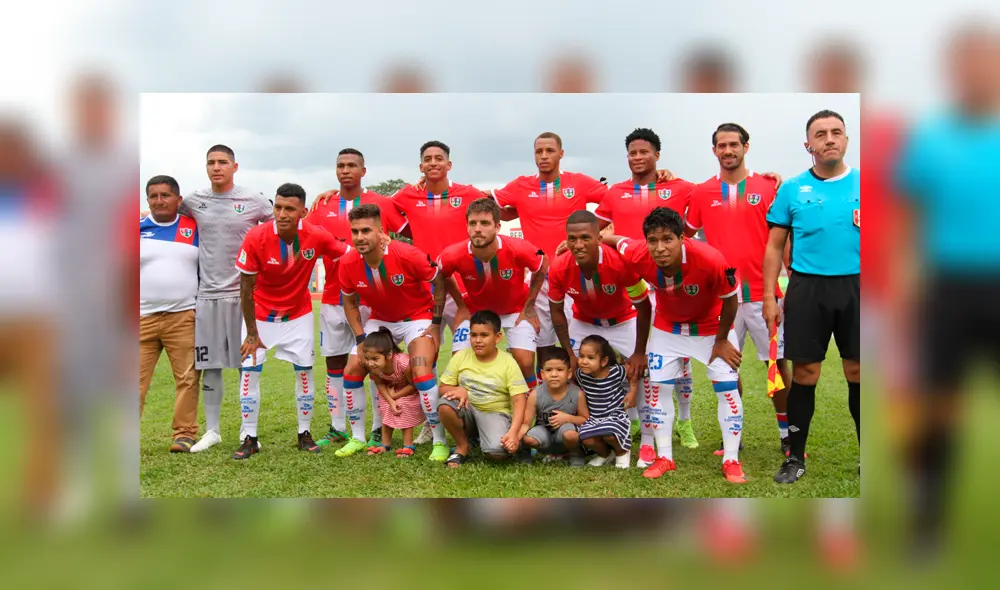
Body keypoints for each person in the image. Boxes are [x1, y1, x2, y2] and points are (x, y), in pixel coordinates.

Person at [606, 207, 747, 483]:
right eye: (653, 241)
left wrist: (720, 340)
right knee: (658, 390)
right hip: (667, 329)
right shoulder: (638, 253)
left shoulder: (709, 259)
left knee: (727, 390)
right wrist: (601, 238)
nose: (659, 248)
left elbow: (731, 299)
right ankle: (665, 457)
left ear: (682, 238)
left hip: (710, 329)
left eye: (668, 239)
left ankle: (731, 460)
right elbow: (617, 240)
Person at [764, 109, 860, 484]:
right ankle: (795, 458)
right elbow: (774, 248)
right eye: (821, 134)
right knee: (805, 373)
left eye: (837, 132)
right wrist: (771, 298)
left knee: (860, 373)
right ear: (809, 145)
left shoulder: (867, 185)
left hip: (859, 286)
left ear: (847, 140)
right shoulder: (791, 189)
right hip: (807, 289)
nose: (830, 139)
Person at [686, 123, 793, 456]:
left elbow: (784, 239)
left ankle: (787, 432)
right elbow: (688, 240)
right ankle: (733, 433)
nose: (728, 150)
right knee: (726, 366)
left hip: (765, 296)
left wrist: (792, 284)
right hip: (722, 300)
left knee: (776, 366)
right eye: (721, 145)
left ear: (746, 147)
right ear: (714, 150)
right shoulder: (701, 193)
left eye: (734, 144)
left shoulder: (770, 186)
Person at [231, 183, 349, 459]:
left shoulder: (316, 236)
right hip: (259, 317)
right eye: (278, 207)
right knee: (249, 372)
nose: (282, 214)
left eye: (289, 209)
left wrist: (381, 242)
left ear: (303, 212)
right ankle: (249, 437)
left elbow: (347, 253)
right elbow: (245, 289)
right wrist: (251, 333)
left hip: (298, 314)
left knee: (304, 371)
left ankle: (304, 434)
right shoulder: (256, 236)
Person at [304, 148, 407, 449]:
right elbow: (305, 236)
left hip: (372, 299)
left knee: (374, 362)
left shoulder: (383, 203)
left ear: (364, 171)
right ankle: (338, 428)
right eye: (340, 165)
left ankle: (377, 427)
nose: (345, 170)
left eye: (352, 165)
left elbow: (411, 228)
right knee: (335, 363)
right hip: (334, 298)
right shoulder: (322, 206)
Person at [337, 204, 455, 461]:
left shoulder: (407, 254)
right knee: (352, 368)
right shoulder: (347, 263)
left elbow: (439, 280)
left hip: (417, 318)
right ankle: (358, 437)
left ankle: (438, 440)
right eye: (354, 231)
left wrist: (435, 323)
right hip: (380, 321)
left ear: (381, 232)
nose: (359, 237)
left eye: (366, 230)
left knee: (421, 371)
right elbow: (349, 302)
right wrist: (359, 339)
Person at [182, 145, 274, 453]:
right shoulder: (194, 201)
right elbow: (165, 213)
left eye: (223, 162)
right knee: (211, 365)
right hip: (206, 295)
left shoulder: (254, 200)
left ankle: (249, 432)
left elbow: (282, 223)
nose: (216, 167)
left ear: (235, 167)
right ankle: (212, 431)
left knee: (246, 366)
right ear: (205, 167)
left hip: (242, 296)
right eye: (211, 162)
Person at [547, 210, 659, 465]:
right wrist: (570, 354)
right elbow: (556, 313)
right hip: (585, 323)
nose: (578, 245)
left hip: (623, 320)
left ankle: (648, 443)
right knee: (568, 374)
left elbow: (643, 307)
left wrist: (639, 352)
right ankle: (573, 440)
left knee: (647, 373)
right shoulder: (559, 267)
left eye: (585, 238)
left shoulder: (619, 262)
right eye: (572, 238)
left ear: (599, 238)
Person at [437, 197, 547, 386]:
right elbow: (442, 274)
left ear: (497, 227)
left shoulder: (518, 248)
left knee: (525, 361)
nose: (478, 229)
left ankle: (528, 398)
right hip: (476, 312)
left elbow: (542, 264)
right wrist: (461, 306)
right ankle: (471, 405)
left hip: (514, 310)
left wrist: (529, 306)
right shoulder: (453, 254)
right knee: (459, 360)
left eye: (485, 223)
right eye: (473, 223)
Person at [139, 175, 201, 452]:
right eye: (153, 196)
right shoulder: (135, 228)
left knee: (188, 379)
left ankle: (184, 434)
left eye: (165, 195)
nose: (159, 200)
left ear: (179, 199)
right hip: (141, 318)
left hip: (183, 317)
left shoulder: (196, 228)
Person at [437, 310, 530, 467]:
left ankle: (516, 443)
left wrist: (514, 433)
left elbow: (519, 401)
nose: (478, 340)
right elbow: (443, 387)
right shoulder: (461, 356)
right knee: (445, 405)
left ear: (497, 337)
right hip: (467, 409)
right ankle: (462, 446)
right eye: (473, 335)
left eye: (484, 335)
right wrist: (458, 390)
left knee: (497, 453)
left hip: (494, 412)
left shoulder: (508, 362)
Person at [360, 327, 423, 458]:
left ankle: (408, 444)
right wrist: (390, 399)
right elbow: (380, 383)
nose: (370, 363)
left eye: (375, 359)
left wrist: (395, 397)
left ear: (389, 355)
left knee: (402, 405)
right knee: (386, 407)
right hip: (390, 392)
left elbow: (414, 385)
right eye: (367, 358)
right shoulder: (373, 367)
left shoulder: (403, 363)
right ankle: (385, 443)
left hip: (409, 392)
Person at [576, 335, 636, 469]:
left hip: (615, 416)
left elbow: (632, 372)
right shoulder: (581, 374)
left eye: (590, 358)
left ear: (603, 361)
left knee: (609, 434)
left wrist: (632, 392)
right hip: (594, 418)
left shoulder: (615, 372)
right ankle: (605, 454)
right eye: (581, 356)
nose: (584, 361)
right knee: (586, 439)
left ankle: (622, 452)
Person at [520, 348, 587, 467]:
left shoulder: (577, 394)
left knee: (571, 434)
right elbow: (526, 423)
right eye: (549, 370)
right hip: (544, 436)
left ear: (569, 373)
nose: (554, 374)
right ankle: (525, 453)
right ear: (542, 374)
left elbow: (585, 419)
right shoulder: (535, 394)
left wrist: (568, 418)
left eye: (560, 370)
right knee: (529, 439)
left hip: (565, 436)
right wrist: (519, 438)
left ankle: (576, 454)